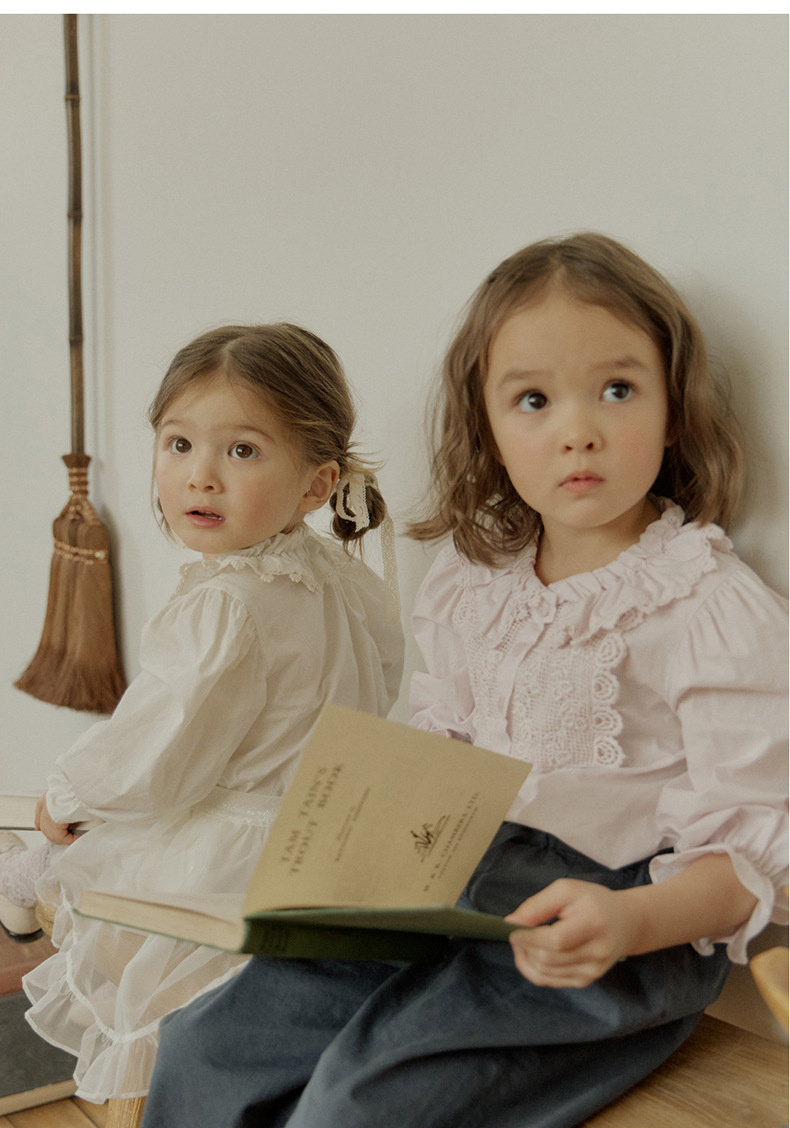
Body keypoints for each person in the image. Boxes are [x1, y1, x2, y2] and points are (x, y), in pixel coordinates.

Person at [140, 234, 788, 1128]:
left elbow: (750, 855)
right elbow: (439, 748)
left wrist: (630, 922)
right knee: (207, 1047)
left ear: (674, 407)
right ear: (489, 428)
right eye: (533, 400)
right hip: (452, 877)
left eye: (617, 390)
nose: (577, 430)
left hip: (612, 924)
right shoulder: (475, 578)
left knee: (363, 1101)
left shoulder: (709, 604)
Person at [3, 323, 403, 1103]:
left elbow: (156, 758)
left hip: (232, 870)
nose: (201, 477)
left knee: (124, 936)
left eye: (242, 451)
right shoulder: (336, 575)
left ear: (317, 484)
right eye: (179, 444)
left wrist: (67, 794)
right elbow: (380, 683)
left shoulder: (227, 605)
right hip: (327, 846)